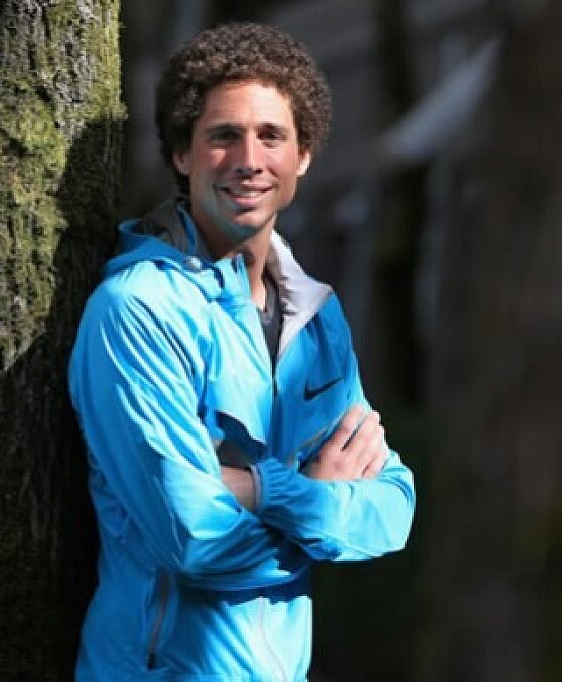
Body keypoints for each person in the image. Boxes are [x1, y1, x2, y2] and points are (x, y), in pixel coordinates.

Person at [68, 21, 416, 680]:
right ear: (182, 154)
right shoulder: (139, 311)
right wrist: (322, 504)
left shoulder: (316, 316)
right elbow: (195, 540)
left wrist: (260, 488)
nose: (248, 160)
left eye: (271, 136)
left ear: (303, 156)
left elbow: (393, 509)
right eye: (223, 135)